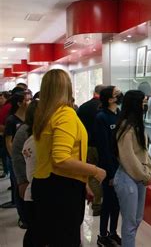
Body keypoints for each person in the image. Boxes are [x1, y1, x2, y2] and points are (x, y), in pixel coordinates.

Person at [32, 69, 106, 247]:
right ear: (67, 88)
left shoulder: (45, 115)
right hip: (62, 188)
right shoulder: (65, 114)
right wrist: (95, 171)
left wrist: (84, 182)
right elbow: (61, 158)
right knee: (66, 239)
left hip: (46, 183)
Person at [113, 90, 151, 247]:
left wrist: (148, 171)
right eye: (143, 102)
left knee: (136, 220)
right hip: (127, 177)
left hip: (137, 177)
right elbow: (128, 157)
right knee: (130, 224)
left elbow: (143, 153)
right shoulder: (126, 128)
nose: (146, 105)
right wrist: (144, 175)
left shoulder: (136, 125)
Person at [95, 86, 122, 246]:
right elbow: (103, 148)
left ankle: (113, 232)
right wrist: (111, 174)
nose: (119, 96)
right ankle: (102, 234)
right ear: (110, 99)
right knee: (108, 202)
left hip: (121, 166)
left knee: (117, 203)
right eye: (116, 94)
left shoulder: (119, 115)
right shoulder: (101, 118)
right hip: (109, 168)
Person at [13, 98, 39, 246]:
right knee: (33, 230)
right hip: (29, 184)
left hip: (36, 185)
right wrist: (21, 181)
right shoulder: (25, 132)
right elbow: (17, 158)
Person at [4, 89, 32, 227]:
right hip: (16, 159)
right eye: (27, 99)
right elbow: (9, 141)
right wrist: (13, 156)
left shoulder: (29, 119)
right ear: (20, 103)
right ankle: (22, 217)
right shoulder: (11, 120)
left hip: (29, 158)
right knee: (19, 186)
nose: (30, 101)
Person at [77, 84, 105, 216]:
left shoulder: (83, 107)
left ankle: (96, 204)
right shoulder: (104, 108)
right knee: (103, 173)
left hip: (86, 146)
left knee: (92, 176)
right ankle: (103, 203)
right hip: (102, 146)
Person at [0, 91, 11, 178]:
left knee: (4, 153)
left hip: (4, 134)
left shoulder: (6, 108)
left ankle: (6, 170)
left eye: (1, 98)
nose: (0, 100)